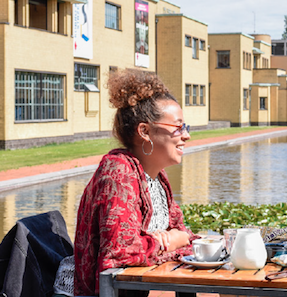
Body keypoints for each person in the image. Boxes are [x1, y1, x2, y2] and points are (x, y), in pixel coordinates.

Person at [74, 69, 198, 296]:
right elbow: (119, 252)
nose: (186, 135)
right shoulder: (118, 172)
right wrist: (166, 241)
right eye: (178, 127)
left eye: (185, 127)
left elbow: (182, 232)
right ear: (145, 131)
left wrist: (174, 238)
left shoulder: (156, 177)